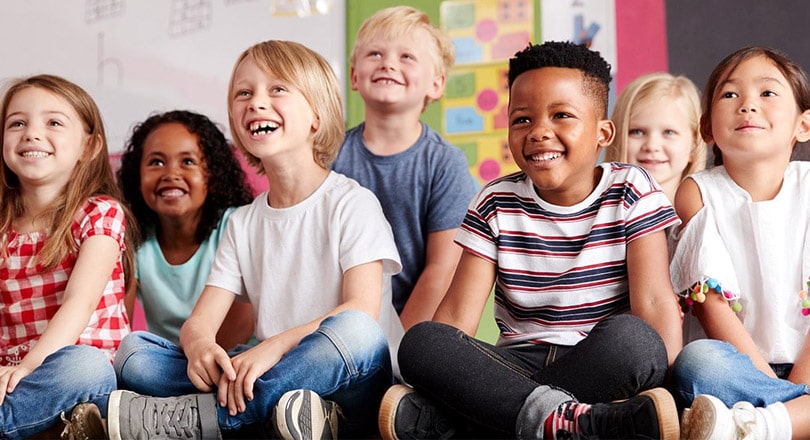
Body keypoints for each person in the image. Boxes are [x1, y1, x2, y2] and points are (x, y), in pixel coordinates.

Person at [379, 41, 683, 440]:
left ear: (602, 133)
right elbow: (456, 317)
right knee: (421, 342)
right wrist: (438, 369)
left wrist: (675, 395)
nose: (540, 132)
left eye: (562, 115)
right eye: (522, 119)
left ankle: (478, 422)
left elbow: (656, 302)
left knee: (636, 342)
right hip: (511, 363)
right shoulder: (495, 202)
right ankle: (579, 423)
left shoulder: (631, 188)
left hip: (597, 360)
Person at [109, 40, 404, 440]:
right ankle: (284, 413)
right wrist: (200, 348)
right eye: (243, 93)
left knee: (355, 330)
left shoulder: (352, 203)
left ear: (316, 116)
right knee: (135, 354)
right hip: (270, 375)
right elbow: (201, 321)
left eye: (277, 89)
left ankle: (206, 420)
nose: (256, 102)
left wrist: (274, 348)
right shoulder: (243, 223)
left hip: (350, 379)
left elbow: (363, 312)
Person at [671, 46, 810, 440]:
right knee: (697, 362)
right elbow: (710, 306)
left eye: (767, 93)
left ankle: (765, 425)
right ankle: (796, 419)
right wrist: (789, 396)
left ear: (803, 125)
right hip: (741, 373)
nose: (747, 104)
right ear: (707, 129)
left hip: (806, 365)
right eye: (730, 95)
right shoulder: (697, 192)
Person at [0, 74, 136, 439]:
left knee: (85, 367)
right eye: (17, 123)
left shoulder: (99, 213)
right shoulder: (2, 224)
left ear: (89, 147)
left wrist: (31, 365)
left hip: (72, 369)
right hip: (11, 375)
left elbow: (80, 302)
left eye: (54, 122)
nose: (31, 133)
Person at [332, 5, 478, 330]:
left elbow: (441, 269)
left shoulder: (444, 163)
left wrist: (393, 350)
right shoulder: (329, 154)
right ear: (355, 76)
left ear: (436, 85)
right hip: (339, 323)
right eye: (375, 54)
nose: (388, 64)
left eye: (407, 57)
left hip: (409, 330)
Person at [116, 110, 255, 347]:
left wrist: (201, 363)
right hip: (170, 362)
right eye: (156, 162)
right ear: (137, 177)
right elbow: (120, 324)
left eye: (188, 162)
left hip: (234, 356)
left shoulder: (237, 224)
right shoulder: (133, 238)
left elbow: (242, 325)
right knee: (133, 355)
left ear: (213, 174)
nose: (171, 174)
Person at [605, 72, 707, 204]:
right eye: (637, 132)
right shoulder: (598, 217)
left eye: (669, 132)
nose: (652, 146)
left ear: (694, 145)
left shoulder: (710, 218)